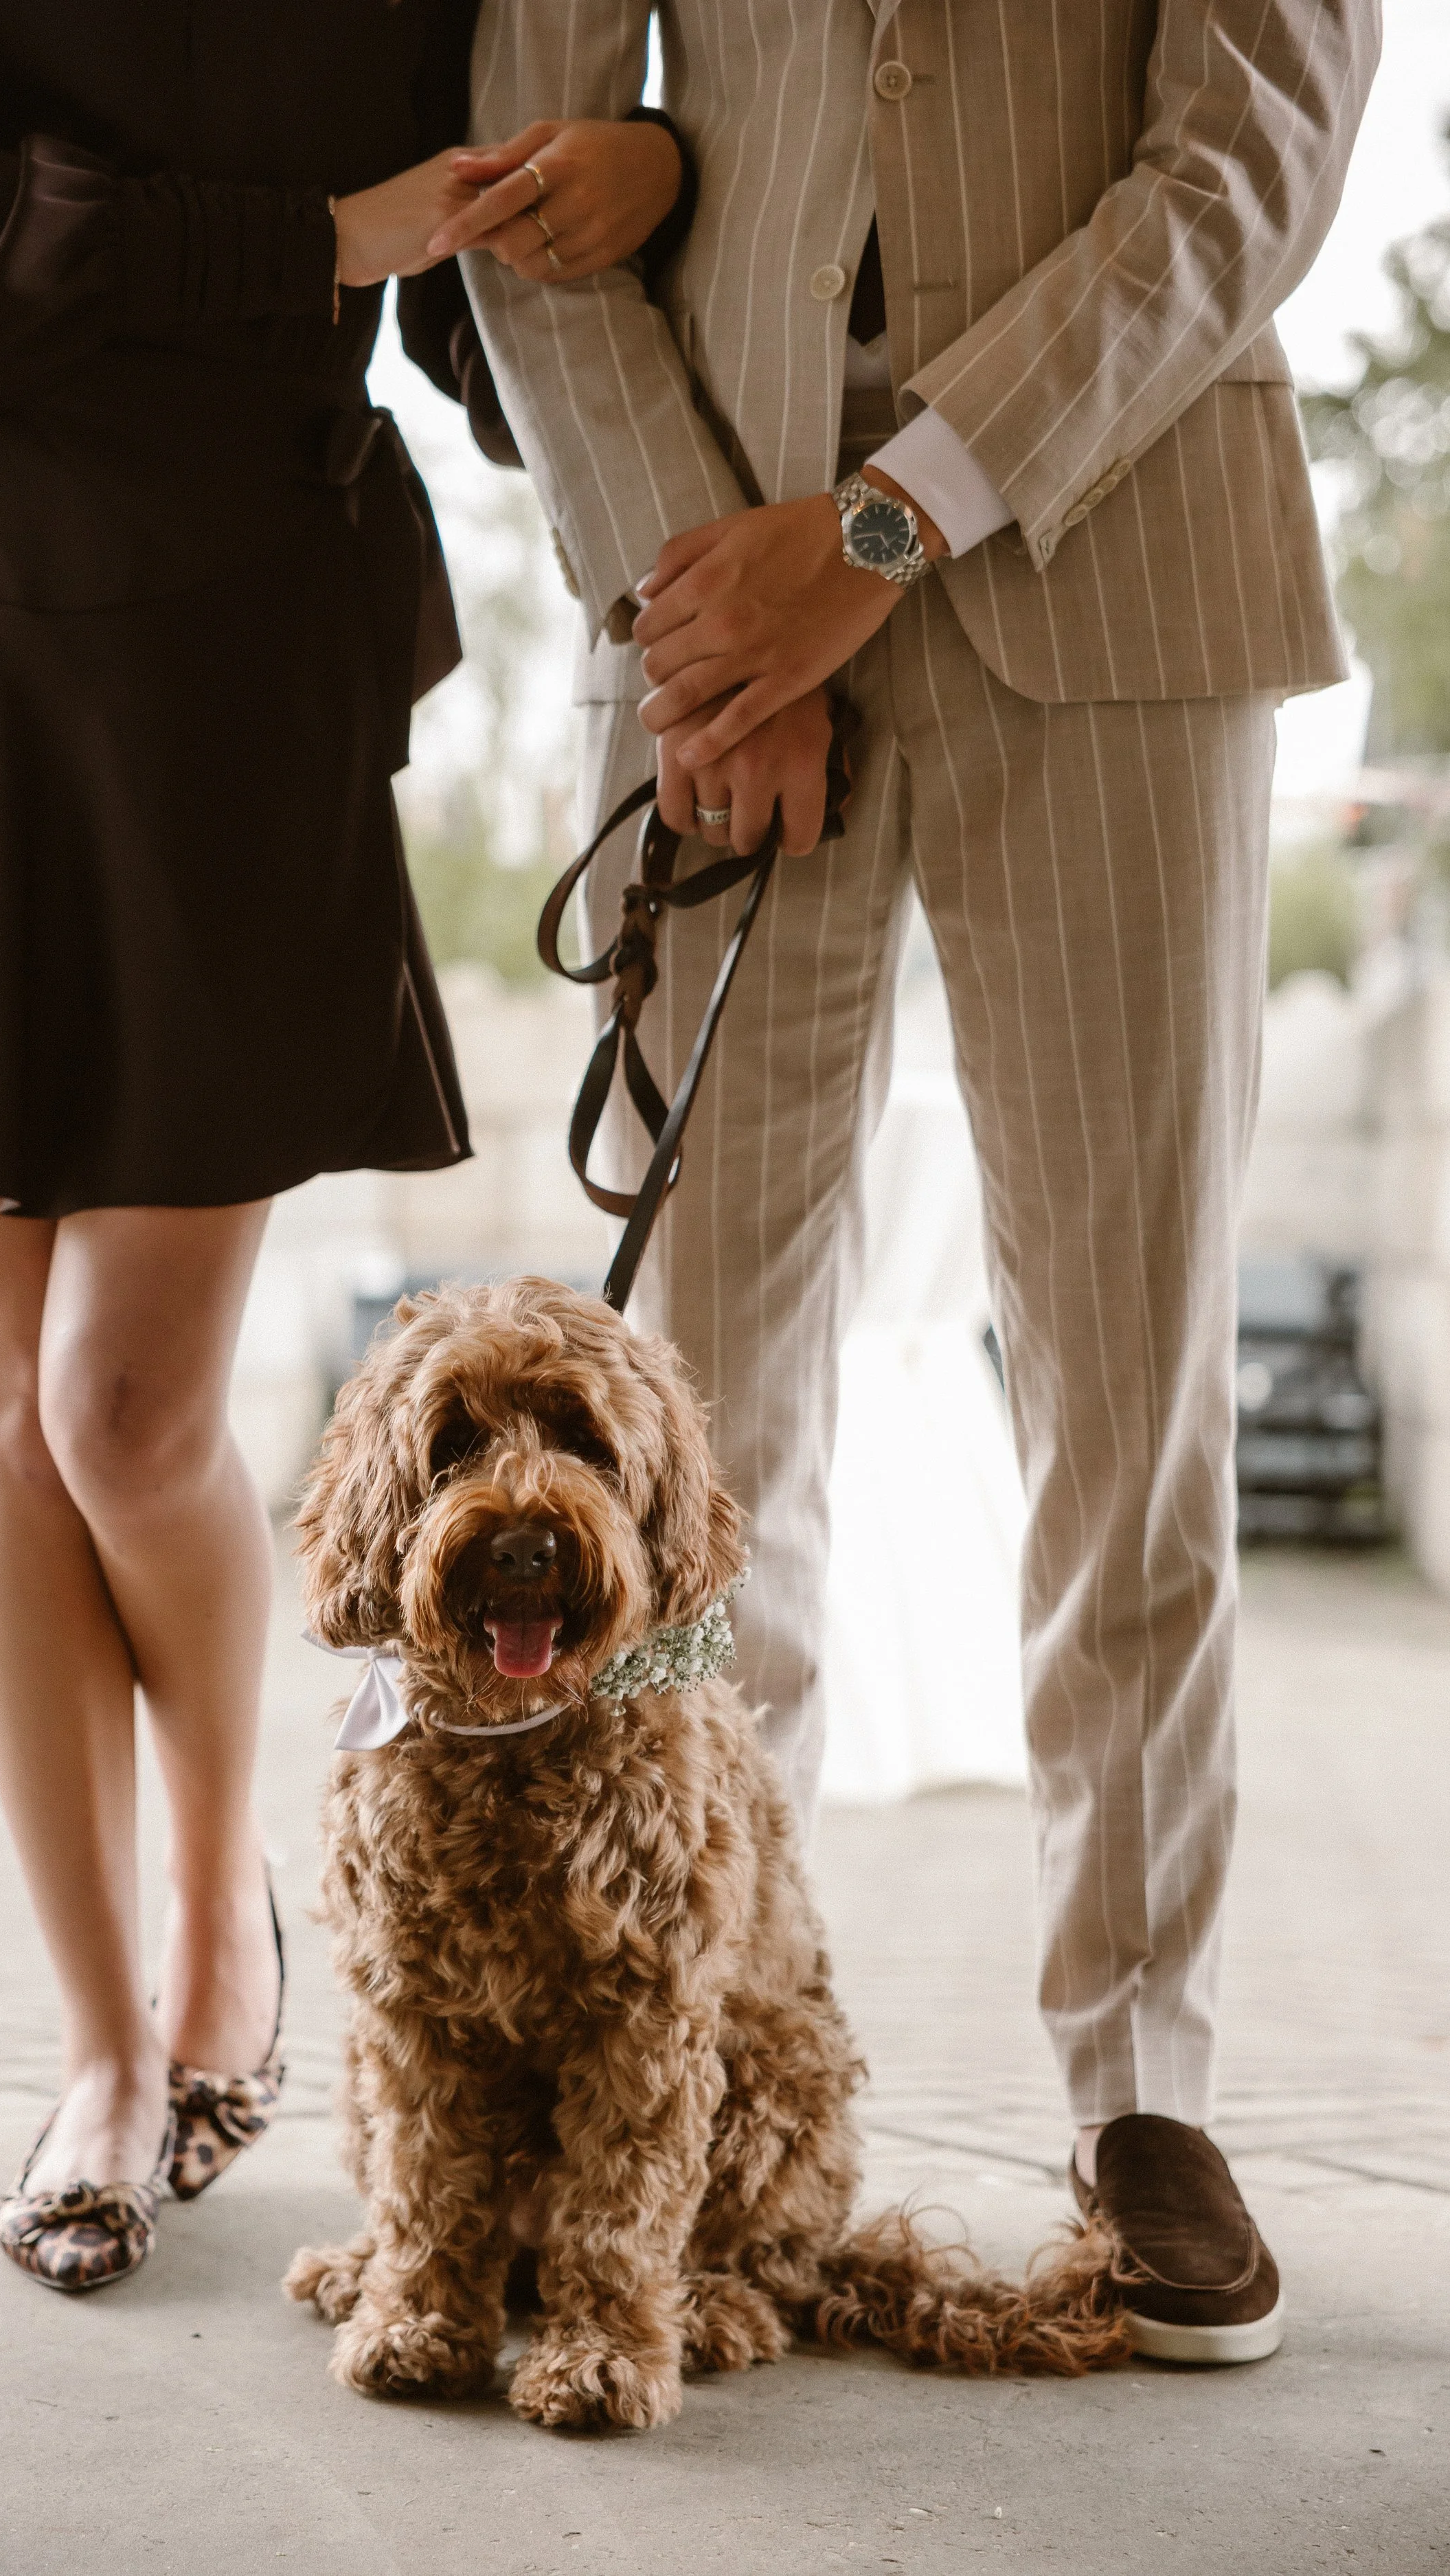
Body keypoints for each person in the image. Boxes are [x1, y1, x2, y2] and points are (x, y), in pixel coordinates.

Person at [0, 0, 690, 2293]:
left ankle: (216, 1924)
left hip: (241, 666)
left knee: (119, 1405)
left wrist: (633, 176)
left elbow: (473, 285)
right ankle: (104, 2052)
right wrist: (304, 247)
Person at [464, 0, 1380, 2366]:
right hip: (715, 620)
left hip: (1124, 582)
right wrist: (717, 604)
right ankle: (682, 2059)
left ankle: (1142, 2085)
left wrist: (883, 528)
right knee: (686, 1433)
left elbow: (1249, 160)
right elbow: (520, 161)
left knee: (1128, 1377)